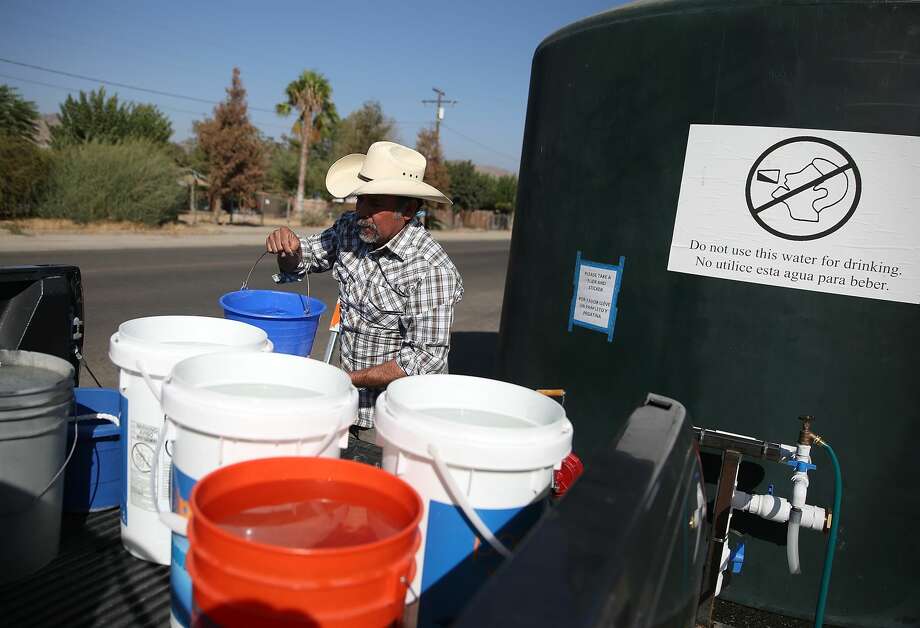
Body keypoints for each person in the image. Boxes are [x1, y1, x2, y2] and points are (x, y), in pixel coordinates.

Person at [266, 141, 463, 439]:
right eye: (360, 199)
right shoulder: (351, 228)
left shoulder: (430, 270)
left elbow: (423, 361)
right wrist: (288, 247)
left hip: (393, 417)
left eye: (375, 203)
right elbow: (307, 257)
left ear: (408, 210)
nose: (361, 211)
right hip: (347, 402)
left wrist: (346, 379)